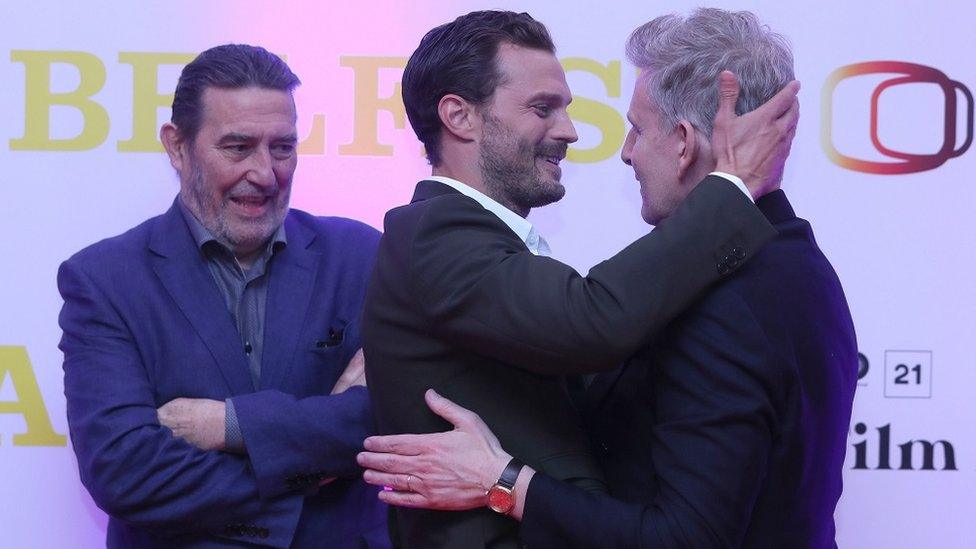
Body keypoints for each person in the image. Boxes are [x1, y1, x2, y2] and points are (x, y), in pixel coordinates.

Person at [358, 8, 857, 548]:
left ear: (686, 143)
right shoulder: (800, 265)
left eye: (636, 130)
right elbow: (591, 321)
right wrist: (732, 187)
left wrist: (503, 482)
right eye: (542, 108)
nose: (584, 138)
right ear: (460, 117)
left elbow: (686, 535)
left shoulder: (724, 292)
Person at [58, 44, 388, 548]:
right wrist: (311, 465)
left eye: (283, 147)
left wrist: (229, 425)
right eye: (237, 147)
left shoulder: (361, 257)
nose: (265, 172)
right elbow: (123, 470)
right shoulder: (104, 280)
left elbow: (390, 418)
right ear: (177, 146)